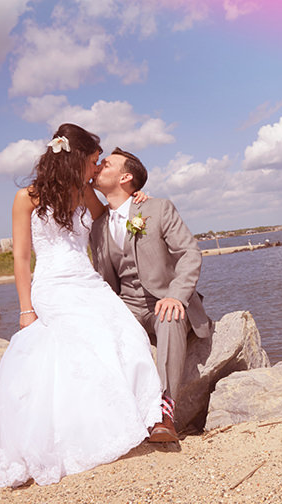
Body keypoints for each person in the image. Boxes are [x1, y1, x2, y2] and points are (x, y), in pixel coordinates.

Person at [0, 124, 163, 488]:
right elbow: (22, 258)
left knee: (127, 333)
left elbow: (113, 214)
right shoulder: (26, 197)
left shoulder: (86, 194)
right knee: (84, 340)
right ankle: (86, 432)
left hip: (88, 282)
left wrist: (137, 196)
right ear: (75, 159)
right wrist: (26, 310)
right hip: (53, 286)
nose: (96, 168)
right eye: (93, 161)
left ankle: (146, 417)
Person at [90, 148, 211, 441]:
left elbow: (189, 254)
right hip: (127, 305)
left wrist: (177, 295)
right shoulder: (98, 226)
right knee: (101, 335)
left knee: (169, 318)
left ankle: (164, 413)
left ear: (126, 176)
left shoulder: (158, 209)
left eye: (105, 164)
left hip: (163, 300)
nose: (97, 167)